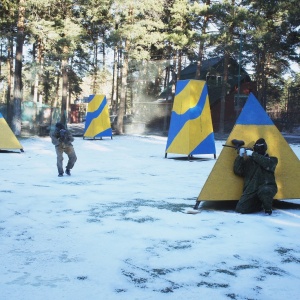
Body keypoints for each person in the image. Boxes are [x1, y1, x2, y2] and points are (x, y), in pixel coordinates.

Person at [233, 138, 278, 215]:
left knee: (265, 191)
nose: (259, 148)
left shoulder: (272, 160)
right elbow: (238, 171)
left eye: (261, 146)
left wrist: (252, 154)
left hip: (267, 186)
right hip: (251, 189)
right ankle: (259, 204)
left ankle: (268, 209)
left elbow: (267, 164)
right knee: (241, 209)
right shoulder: (249, 161)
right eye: (258, 146)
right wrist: (240, 157)